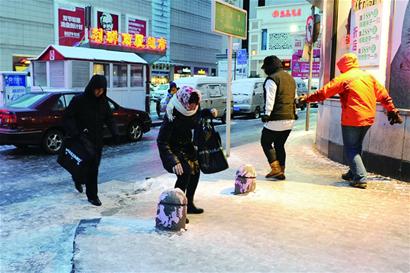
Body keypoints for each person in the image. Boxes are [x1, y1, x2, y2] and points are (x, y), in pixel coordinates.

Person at [298, 53, 403, 189]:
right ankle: (352, 172)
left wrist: (307, 98)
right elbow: (383, 95)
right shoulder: (368, 76)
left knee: (351, 149)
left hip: (352, 118)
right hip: (368, 118)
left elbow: (324, 93)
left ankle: (360, 177)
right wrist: (392, 110)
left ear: (343, 66)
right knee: (356, 146)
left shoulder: (344, 78)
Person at [157, 86, 216, 219]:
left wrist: (208, 112)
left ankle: (188, 204)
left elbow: (198, 117)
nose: (191, 108)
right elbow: (161, 141)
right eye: (190, 105)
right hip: (172, 149)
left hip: (187, 146)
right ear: (184, 101)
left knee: (195, 171)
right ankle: (176, 209)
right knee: (184, 173)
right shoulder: (172, 112)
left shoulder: (194, 108)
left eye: (195, 105)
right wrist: (173, 160)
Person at [64, 75, 119, 206]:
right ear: (91, 88)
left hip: (96, 141)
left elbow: (110, 119)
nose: (99, 92)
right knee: (85, 167)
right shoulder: (79, 100)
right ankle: (84, 186)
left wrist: (115, 133)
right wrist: (76, 132)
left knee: (93, 168)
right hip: (81, 139)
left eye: (102, 90)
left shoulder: (103, 103)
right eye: (97, 89)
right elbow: (68, 117)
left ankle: (87, 189)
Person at [260, 55, 298, 180]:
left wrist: (267, 114)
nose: (264, 71)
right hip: (290, 119)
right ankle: (281, 170)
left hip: (276, 118)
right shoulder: (291, 78)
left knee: (265, 142)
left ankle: (275, 169)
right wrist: (294, 112)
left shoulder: (272, 79)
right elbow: (294, 98)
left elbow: (270, 99)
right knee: (279, 145)